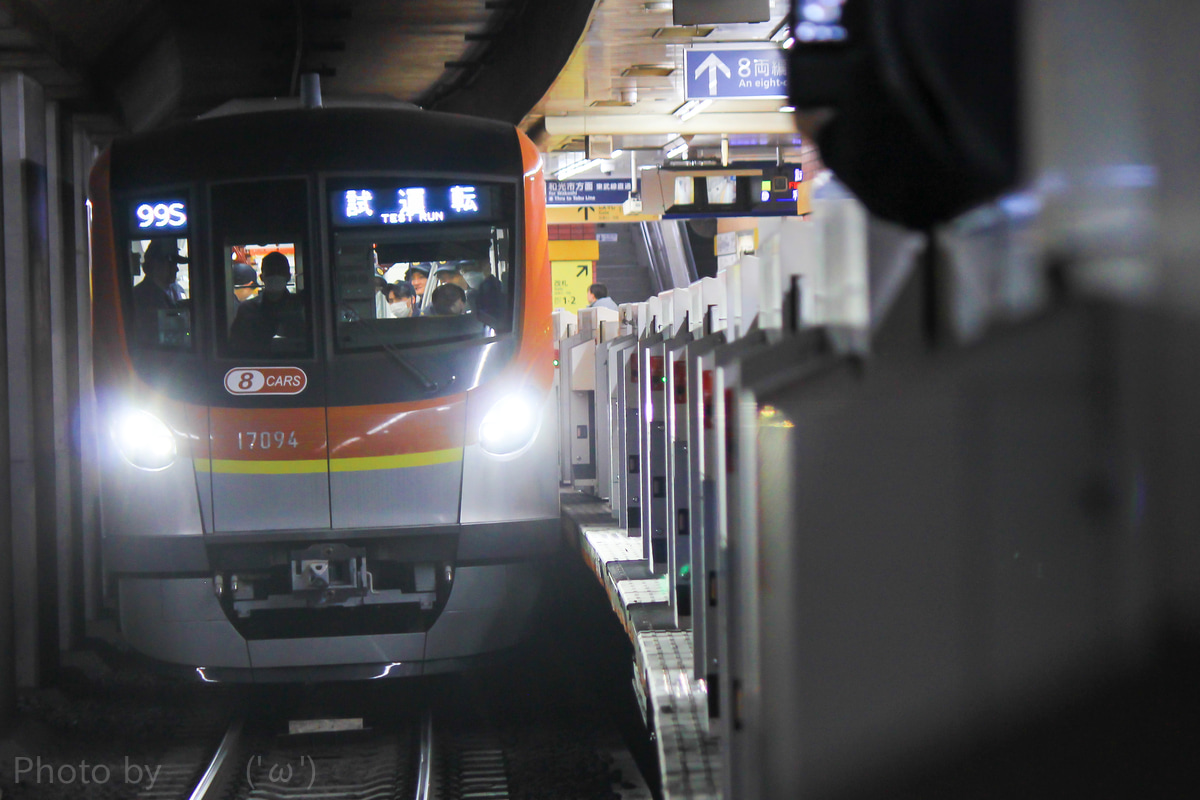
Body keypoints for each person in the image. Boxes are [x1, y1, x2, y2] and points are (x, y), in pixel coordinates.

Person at [229, 251, 306, 352]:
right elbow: (236, 346)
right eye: (271, 272)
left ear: (288, 277)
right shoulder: (246, 309)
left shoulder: (302, 307)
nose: (275, 276)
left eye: (280, 272)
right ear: (262, 277)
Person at [133, 239, 189, 344]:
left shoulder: (173, 291)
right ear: (156, 264)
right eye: (172, 264)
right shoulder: (144, 298)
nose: (176, 269)